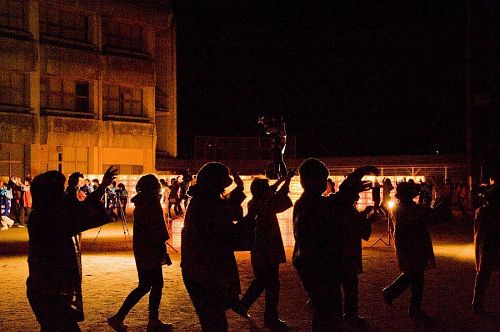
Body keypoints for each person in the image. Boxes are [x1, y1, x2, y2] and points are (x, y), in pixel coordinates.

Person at [26, 167, 118, 331]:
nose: (64, 194)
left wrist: (100, 187)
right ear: (52, 195)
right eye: (60, 190)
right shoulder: (48, 219)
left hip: (45, 289)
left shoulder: (41, 215)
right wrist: (98, 187)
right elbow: (80, 212)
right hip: (49, 291)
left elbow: (76, 210)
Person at [292, 158, 377, 332]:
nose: (325, 184)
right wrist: (357, 174)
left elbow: (338, 200)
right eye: (322, 179)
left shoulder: (308, 203)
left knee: (325, 313)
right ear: (310, 181)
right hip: (320, 268)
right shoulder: (313, 204)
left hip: (314, 266)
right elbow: (339, 200)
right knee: (329, 314)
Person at [181, 162, 246, 332]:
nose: (227, 181)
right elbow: (228, 233)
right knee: (215, 322)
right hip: (205, 271)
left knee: (213, 321)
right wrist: (252, 217)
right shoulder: (208, 203)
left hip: (198, 270)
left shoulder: (204, 200)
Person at [108, 174, 172, 332]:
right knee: (153, 284)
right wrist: (162, 248)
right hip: (151, 249)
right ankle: (151, 320)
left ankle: (120, 317)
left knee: (146, 285)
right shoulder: (152, 203)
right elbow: (158, 228)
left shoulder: (141, 203)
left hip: (142, 249)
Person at [233, 169, 295, 329]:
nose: (270, 190)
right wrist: (286, 181)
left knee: (262, 282)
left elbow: (273, 192)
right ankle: (269, 318)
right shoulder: (262, 206)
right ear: (263, 192)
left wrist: (283, 181)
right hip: (266, 251)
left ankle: (244, 306)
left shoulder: (256, 202)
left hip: (262, 251)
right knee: (272, 285)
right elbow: (278, 199)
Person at [382, 181, 450, 326]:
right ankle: (393, 295)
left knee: (415, 276)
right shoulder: (411, 209)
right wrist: (446, 199)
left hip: (409, 247)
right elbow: (434, 215)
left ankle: (409, 306)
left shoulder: (402, 208)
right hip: (415, 247)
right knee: (415, 276)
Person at [338, 195, 374, 326]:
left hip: (338, 253)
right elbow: (363, 233)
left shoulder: (338, 208)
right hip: (349, 253)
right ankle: (350, 316)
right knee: (350, 286)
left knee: (338, 285)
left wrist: (363, 214)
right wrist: (368, 220)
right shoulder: (349, 211)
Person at [471, 164, 500, 315]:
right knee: (483, 274)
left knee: (483, 275)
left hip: (485, 246)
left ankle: (477, 303)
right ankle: (476, 304)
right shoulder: (488, 212)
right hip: (489, 246)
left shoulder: (481, 211)